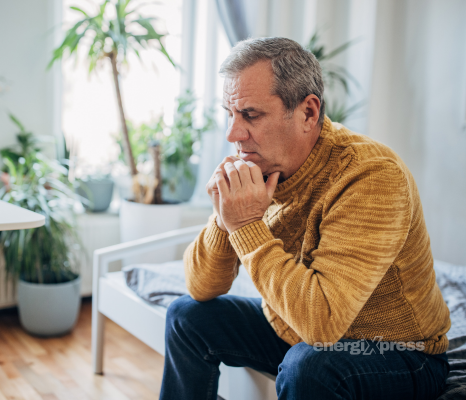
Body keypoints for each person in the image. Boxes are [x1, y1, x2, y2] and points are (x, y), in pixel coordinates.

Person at [159, 37, 451, 400]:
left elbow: (322, 324)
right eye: (230, 114)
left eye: (250, 115)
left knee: (310, 366)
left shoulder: (372, 175)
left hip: (400, 354)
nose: (233, 134)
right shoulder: (261, 166)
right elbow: (202, 287)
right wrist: (225, 217)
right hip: (299, 333)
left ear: (308, 113)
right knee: (187, 317)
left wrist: (247, 226)